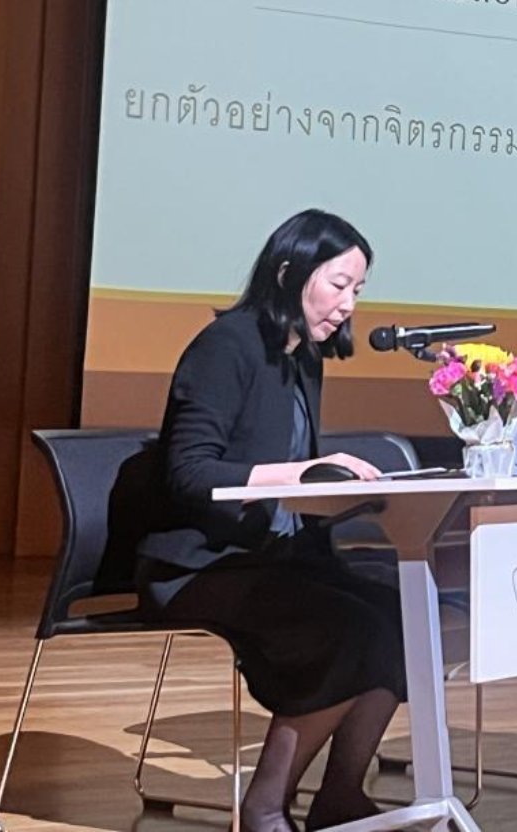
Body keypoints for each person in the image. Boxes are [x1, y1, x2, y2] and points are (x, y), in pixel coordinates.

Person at [135, 209, 403, 832]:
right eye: (339, 284)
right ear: (289, 273)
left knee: (399, 618)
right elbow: (190, 474)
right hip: (199, 565)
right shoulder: (226, 346)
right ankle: (264, 805)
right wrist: (305, 473)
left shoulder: (303, 357)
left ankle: (340, 796)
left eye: (358, 290)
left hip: (272, 558)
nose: (349, 304)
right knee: (345, 630)